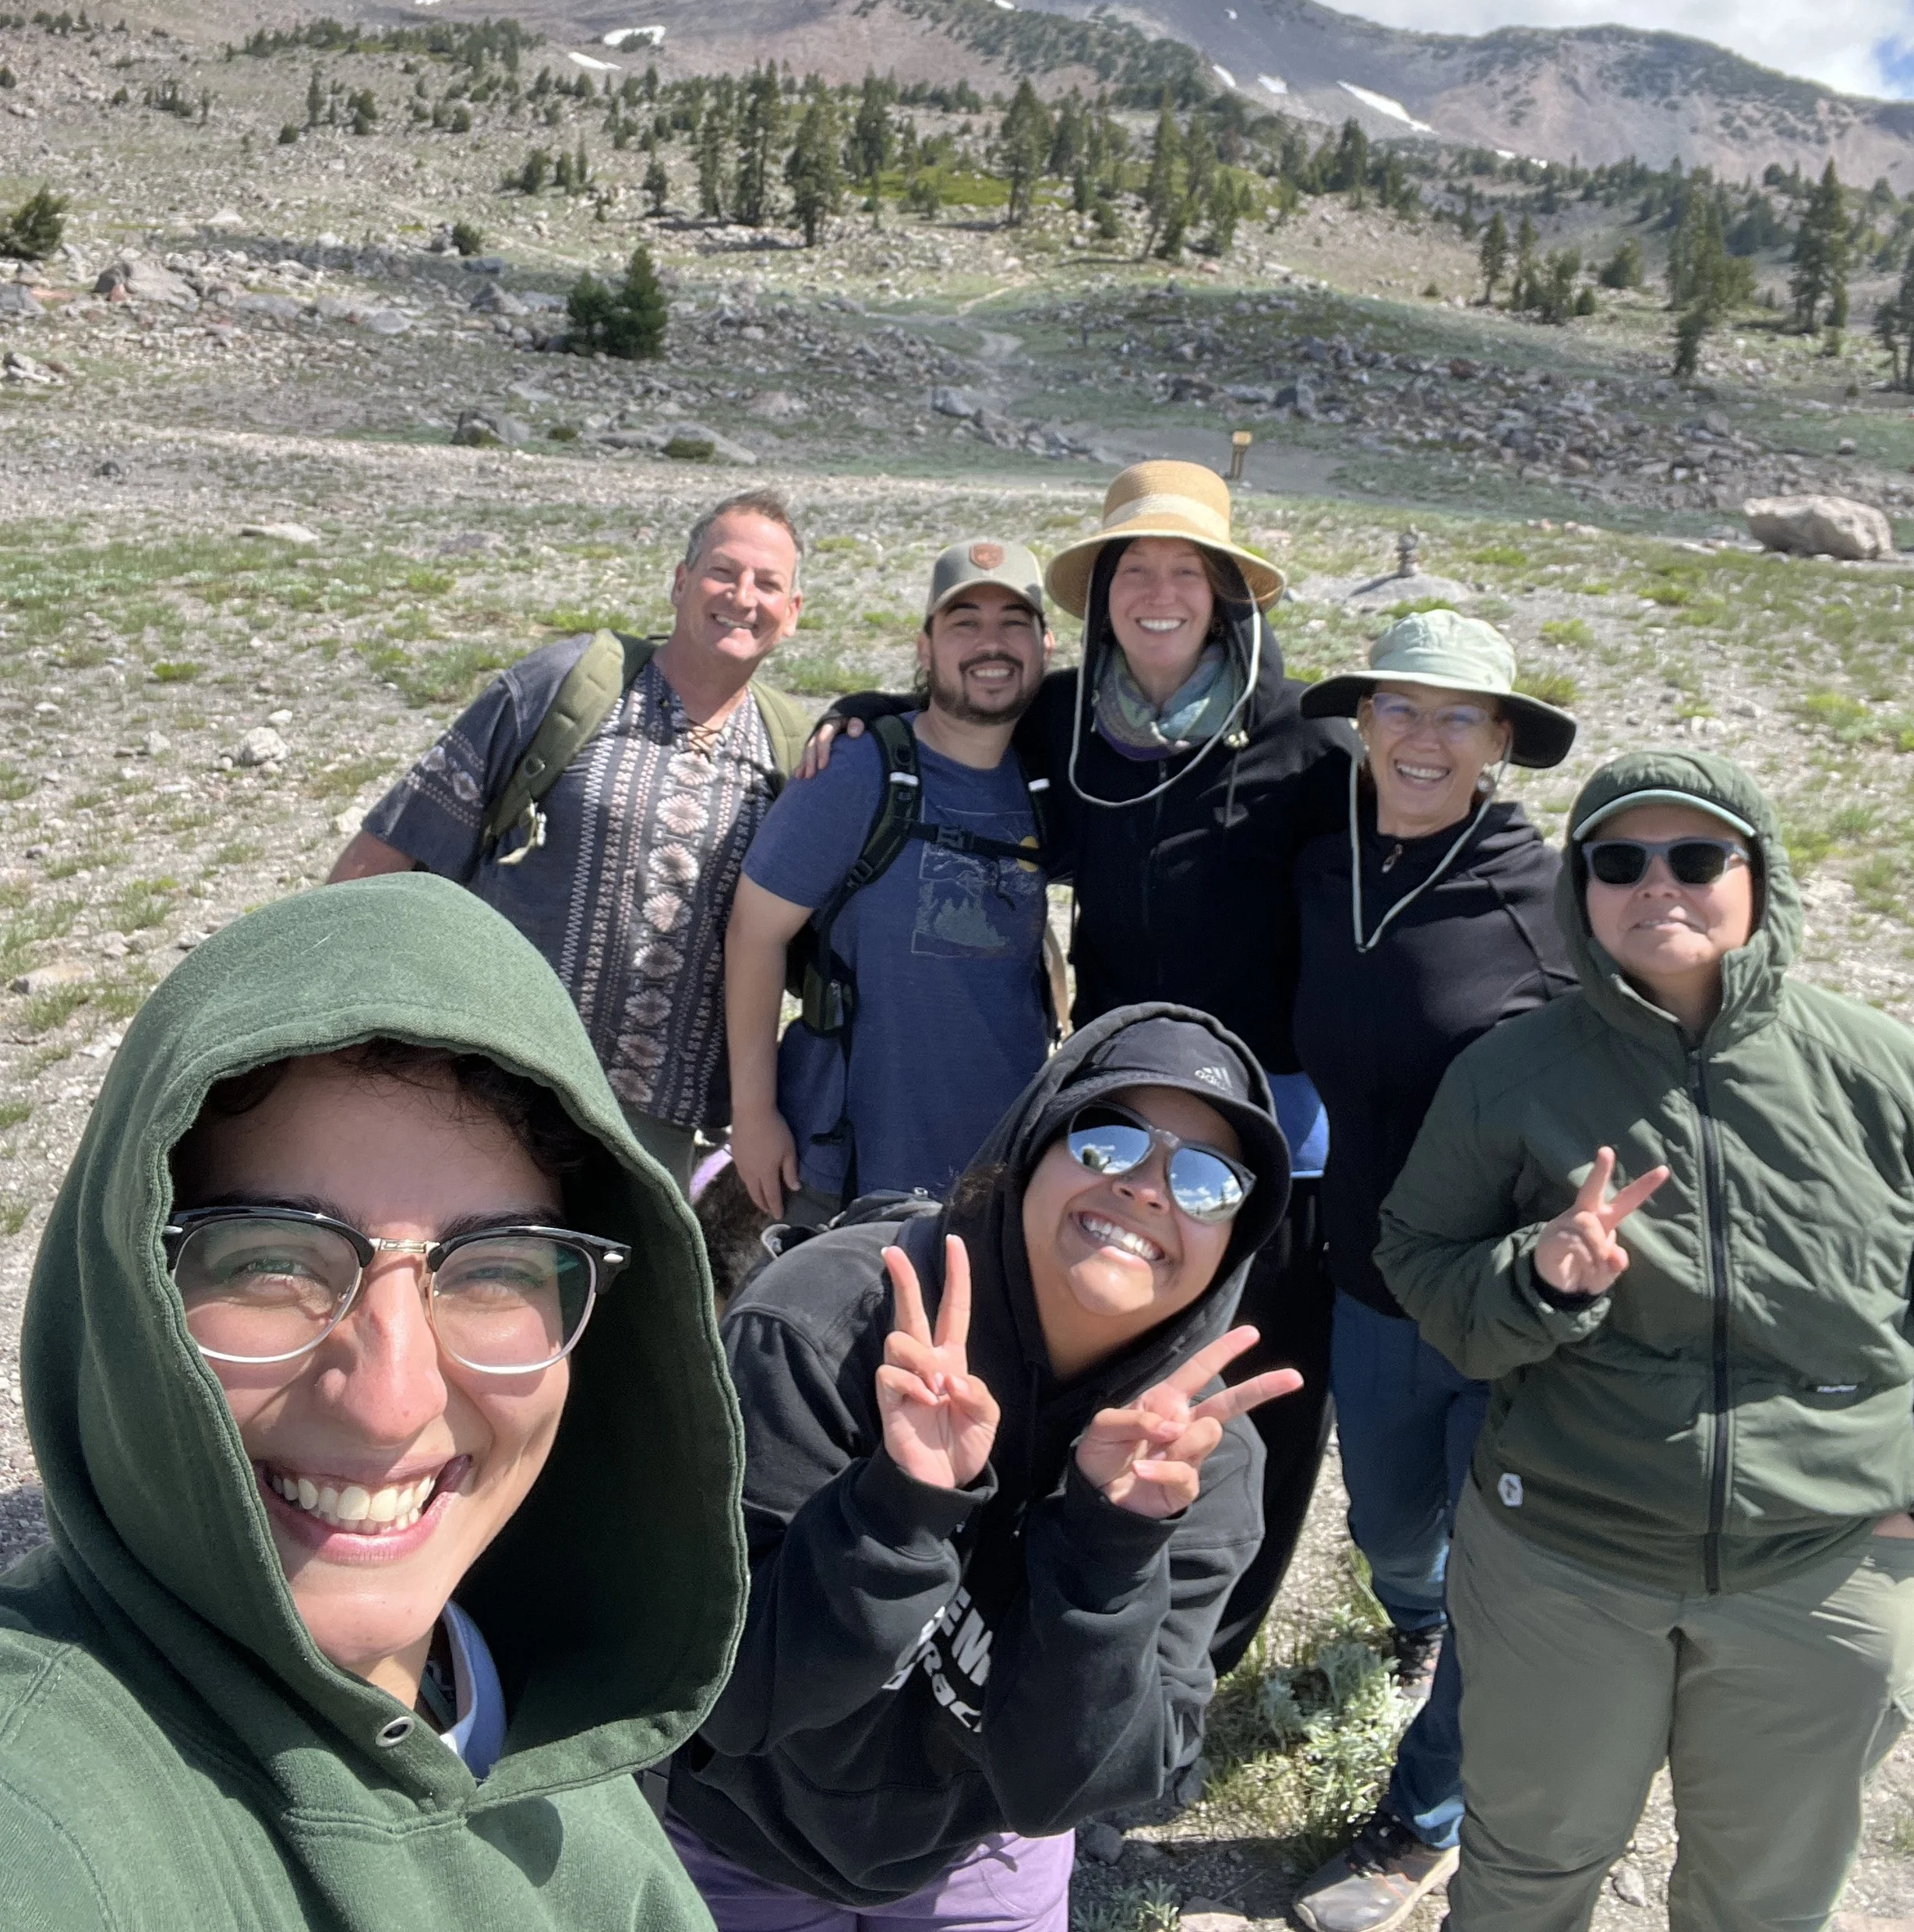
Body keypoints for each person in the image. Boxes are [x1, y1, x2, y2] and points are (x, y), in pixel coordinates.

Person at [0, 870, 746, 1931]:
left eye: (495, 1269)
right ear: (127, 1293)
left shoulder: (520, 1679)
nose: (390, 1402)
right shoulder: (47, 1816)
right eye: (270, 1263)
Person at [1375, 747, 1914, 1932]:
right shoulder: (1511, 1076)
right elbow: (1418, 1263)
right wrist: (1537, 1274)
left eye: (1697, 857)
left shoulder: (1890, 1077)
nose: (1658, 886)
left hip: (1827, 1569)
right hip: (1567, 1562)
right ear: (1579, 888)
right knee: (1529, 1867)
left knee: (1767, 1900)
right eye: (1620, 861)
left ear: (1759, 875)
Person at [809, 465, 1347, 1669]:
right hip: (1118, 1100)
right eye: (1134, 571)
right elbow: (962, 715)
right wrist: (860, 710)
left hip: (1273, 1117)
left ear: (1225, 595)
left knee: (1256, 1388)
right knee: (1109, 1346)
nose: (1161, 594)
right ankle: (1056, 1605)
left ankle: (1204, 1656)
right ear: (1105, 598)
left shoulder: (1308, 734)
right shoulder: (1066, 716)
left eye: (1185, 572)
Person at [665, 1002, 1303, 1932]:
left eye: (1209, 1181)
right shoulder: (829, 1326)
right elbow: (724, 1703)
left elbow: (1069, 1789)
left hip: (977, 1855)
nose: (1151, 1187)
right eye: (1108, 1138)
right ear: (1033, 1143)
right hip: (733, 1835)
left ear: (1235, 1243)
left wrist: (1111, 1547)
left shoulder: (1196, 1462)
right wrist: (896, 1508)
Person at [1284, 610, 1576, 1932]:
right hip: (1368, 1266)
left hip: (1512, 1295)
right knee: (1391, 1526)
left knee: (1494, 1580)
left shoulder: (1552, 896)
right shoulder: (1319, 853)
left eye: (1461, 714)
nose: (1424, 736)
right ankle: (1415, 1615)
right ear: (1362, 719)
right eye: (1401, 705)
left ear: (1501, 741)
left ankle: (1423, 1819)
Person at [331, 490, 817, 1182]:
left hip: (659, 1127)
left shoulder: (789, 752)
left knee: (623, 1289)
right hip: (499, 1077)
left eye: (768, 583)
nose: (742, 596)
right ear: (680, 582)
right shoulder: (569, 685)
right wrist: (328, 1027)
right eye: (722, 572)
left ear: (792, 614)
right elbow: (390, 846)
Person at [725, 539, 1055, 1217]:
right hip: (849, 1162)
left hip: (999, 1168)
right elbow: (753, 932)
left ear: (1045, 647)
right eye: (964, 623)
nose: (990, 643)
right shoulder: (856, 769)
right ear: (925, 647)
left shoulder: (1048, 778)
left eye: (1013, 623)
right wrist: (753, 1115)